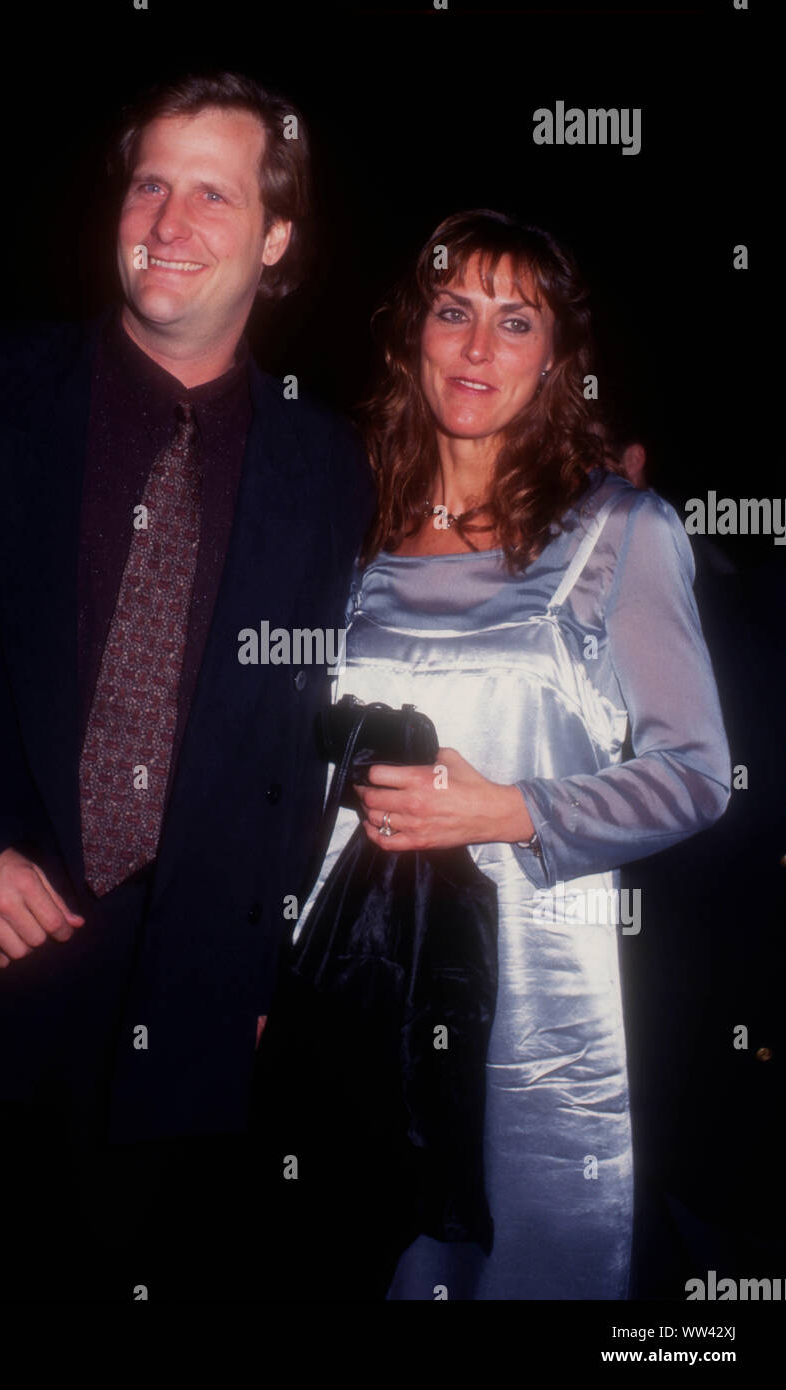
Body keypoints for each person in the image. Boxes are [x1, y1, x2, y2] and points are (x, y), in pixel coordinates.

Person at [0, 70, 371, 1297]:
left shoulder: (333, 468)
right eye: (150, 185)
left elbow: (298, 743)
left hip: (181, 1027)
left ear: (276, 238)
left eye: (212, 195)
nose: (168, 224)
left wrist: (260, 971)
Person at [296, 209, 731, 1299]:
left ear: (556, 360)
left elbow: (697, 772)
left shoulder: (620, 531)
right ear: (414, 335)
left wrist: (506, 810)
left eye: (515, 322)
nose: (479, 348)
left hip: (536, 993)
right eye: (454, 312)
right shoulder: (345, 528)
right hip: (353, 978)